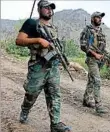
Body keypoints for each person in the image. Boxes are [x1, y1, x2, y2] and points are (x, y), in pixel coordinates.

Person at [15, 0, 71, 131]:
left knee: (54, 94)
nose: (49, 10)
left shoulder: (53, 27)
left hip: (53, 66)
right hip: (38, 66)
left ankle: (55, 124)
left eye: (51, 8)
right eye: (46, 8)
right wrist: (39, 40)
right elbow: (19, 40)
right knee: (32, 93)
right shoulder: (31, 23)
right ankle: (25, 109)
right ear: (39, 9)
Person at [80, 11, 108, 114]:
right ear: (92, 19)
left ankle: (86, 100)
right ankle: (98, 105)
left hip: (99, 60)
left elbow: (102, 47)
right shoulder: (87, 30)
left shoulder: (100, 31)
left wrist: (106, 58)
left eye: (101, 18)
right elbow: (83, 45)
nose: (100, 19)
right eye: (98, 17)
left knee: (91, 80)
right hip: (92, 59)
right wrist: (94, 54)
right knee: (97, 80)